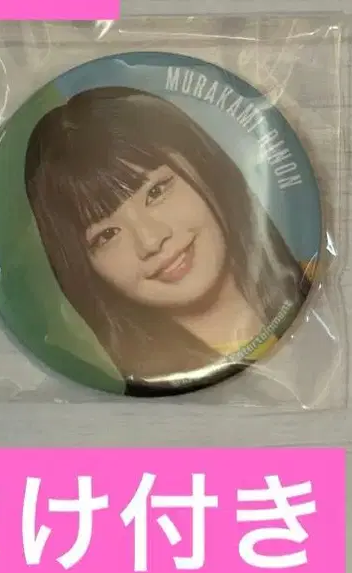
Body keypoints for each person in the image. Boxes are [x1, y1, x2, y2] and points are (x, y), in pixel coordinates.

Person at [23, 85, 313, 395]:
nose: (151, 240)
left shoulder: (317, 280)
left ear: (203, 166)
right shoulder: (129, 394)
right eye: (106, 235)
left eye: (156, 191)